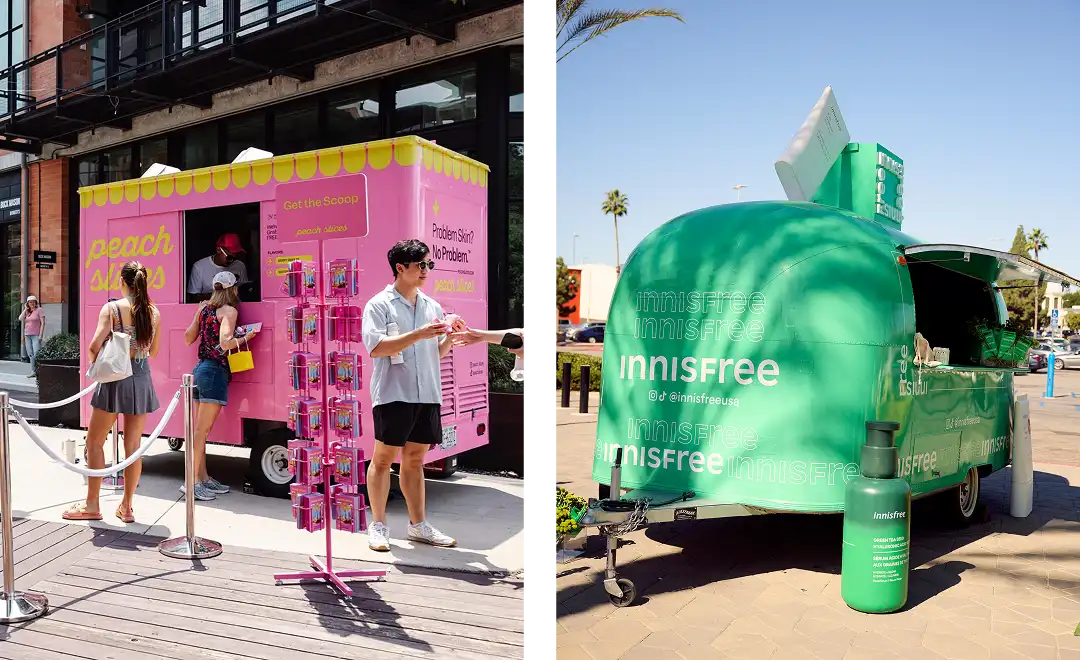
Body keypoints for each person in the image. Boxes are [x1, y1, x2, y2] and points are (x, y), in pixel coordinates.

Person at [361, 239, 457, 552]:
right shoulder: (378, 305)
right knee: (383, 459)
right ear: (400, 268)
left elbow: (435, 353)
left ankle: (418, 526)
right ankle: (378, 525)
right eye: (421, 265)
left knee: (415, 460)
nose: (426, 270)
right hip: (393, 393)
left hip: (427, 393)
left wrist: (451, 339)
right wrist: (419, 334)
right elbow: (376, 348)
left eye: (429, 264)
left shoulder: (432, 306)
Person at [64, 261, 161, 523]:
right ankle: (127, 507)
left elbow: (94, 345)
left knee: (95, 442)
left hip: (114, 380)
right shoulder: (153, 312)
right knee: (133, 448)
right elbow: (152, 352)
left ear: (123, 281)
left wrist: (98, 365)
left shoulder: (112, 309)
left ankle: (92, 505)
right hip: (141, 379)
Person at [183, 270, 258, 500]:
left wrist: (197, 315)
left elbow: (188, 337)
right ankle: (192, 483)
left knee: (198, 432)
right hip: (215, 372)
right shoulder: (230, 311)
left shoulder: (205, 310)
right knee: (200, 433)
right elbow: (226, 343)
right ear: (233, 289)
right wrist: (248, 336)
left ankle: (203, 478)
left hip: (200, 370)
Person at [187, 233, 249, 300]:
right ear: (219, 250)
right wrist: (221, 295)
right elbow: (193, 297)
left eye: (235, 257)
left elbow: (245, 293)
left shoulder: (240, 266)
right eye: (229, 257)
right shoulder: (199, 267)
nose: (232, 261)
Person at [18, 295, 45, 374]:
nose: (32, 303)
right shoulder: (27, 311)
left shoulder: (39, 310)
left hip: (36, 335)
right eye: (30, 302)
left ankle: (39, 371)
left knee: (37, 353)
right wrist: (25, 309)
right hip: (27, 335)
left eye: (33, 302)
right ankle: (33, 371)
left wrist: (41, 335)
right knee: (30, 354)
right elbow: (20, 318)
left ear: (35, 302)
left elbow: (43, 323)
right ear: (28, 303)